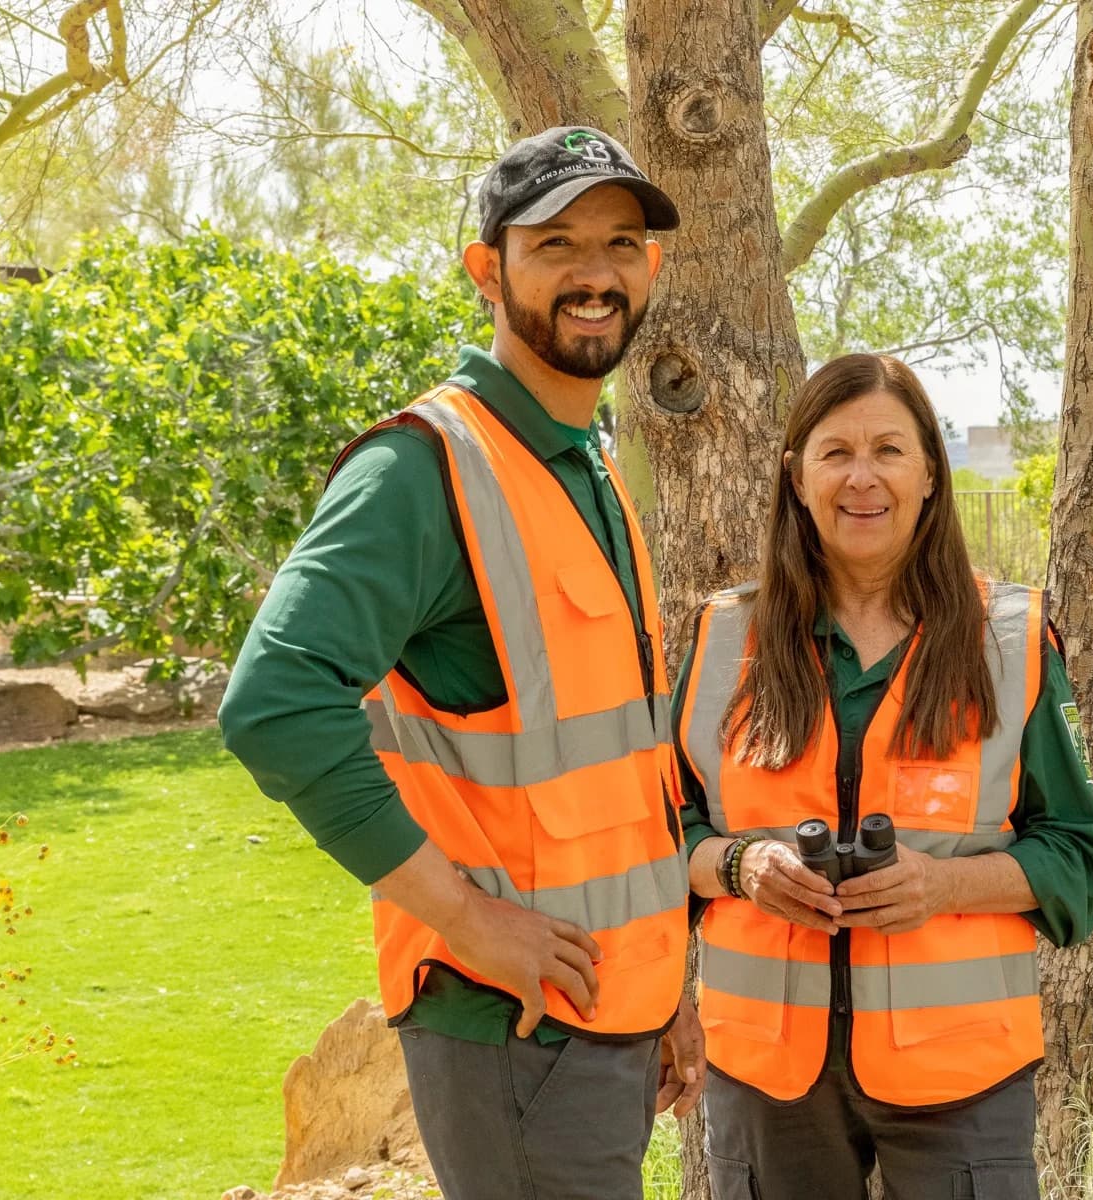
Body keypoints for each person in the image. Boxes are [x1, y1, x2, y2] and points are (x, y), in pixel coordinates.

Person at [219, 126, 703, 1200]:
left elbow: (621, 777)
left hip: (608, 1014)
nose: (596, 273)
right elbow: (274, 704)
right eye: (557, 243)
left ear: (652, 268)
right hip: (512, 1026)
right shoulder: (422, 469)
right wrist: (469, 920)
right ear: (487, 269)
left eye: (622, 244)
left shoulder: (587, 464)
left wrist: (665, 985)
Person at [673, 353, 1093, 1199]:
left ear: (931, 477)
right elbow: (662, 833)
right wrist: (741, 866)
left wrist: (944, 886)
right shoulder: (724, 638)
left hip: (961, 1076)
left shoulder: (1010, 640)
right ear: (796, 479)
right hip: (768, 1078)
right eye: (835, 452)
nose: (861, 477)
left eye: (889, 450)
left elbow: (1079, 857)